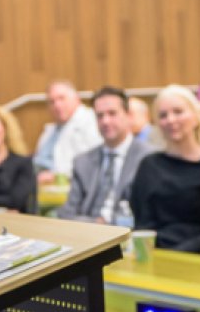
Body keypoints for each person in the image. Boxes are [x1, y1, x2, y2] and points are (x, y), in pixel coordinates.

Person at [130, 85, 200, 253]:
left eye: (178, 112)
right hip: (155, 255)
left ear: (195, 117)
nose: (171, 120)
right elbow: (142, 224)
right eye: (163, 115)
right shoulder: (149, 165)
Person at [58, 87, 151, 224]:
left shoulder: (148, 158)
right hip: (88, 235)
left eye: (112, 113)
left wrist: (108, 223)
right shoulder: (82, 162)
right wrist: (97, 224)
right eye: (100, 116)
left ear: (128, 116)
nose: (105, 121)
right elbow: (67, 214)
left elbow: (147, 214)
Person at [33, 80, 102, 184]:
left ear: (77, 99)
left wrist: (55, 176)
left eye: (61, 98)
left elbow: (95, 161)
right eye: (52, 102)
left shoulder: (91, 121)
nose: (57, 105)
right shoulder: (50, 131)